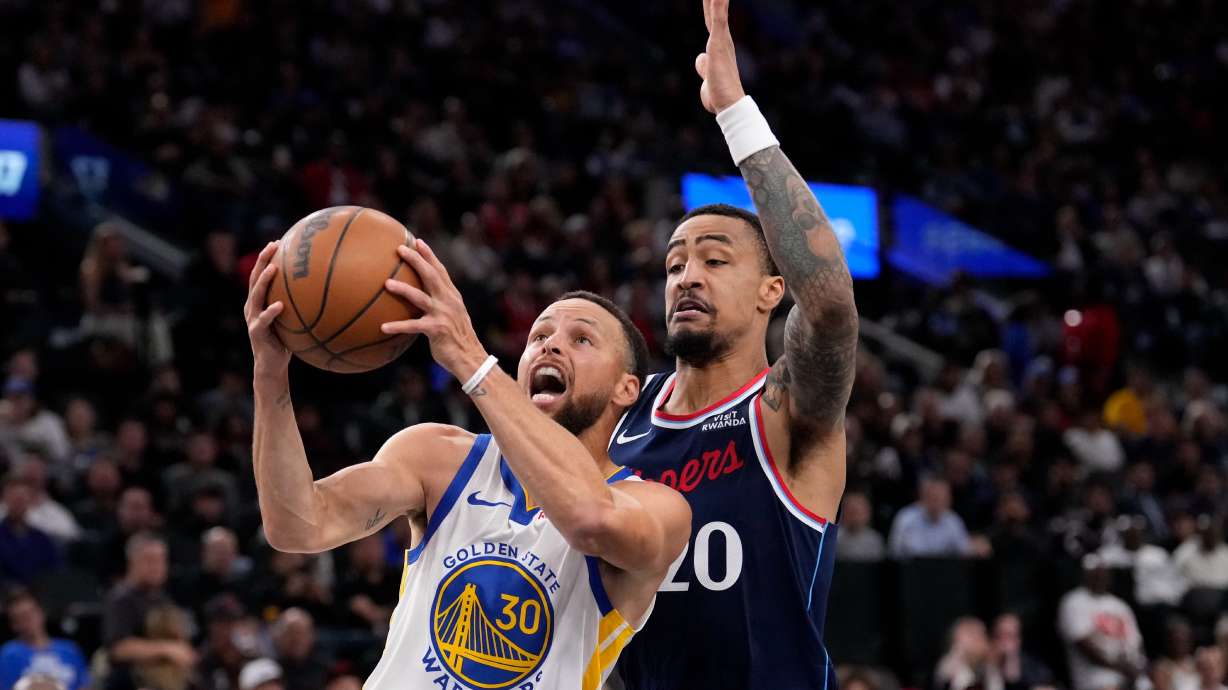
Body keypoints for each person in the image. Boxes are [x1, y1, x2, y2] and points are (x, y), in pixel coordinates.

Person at [243, 236, 690, 690]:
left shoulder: (657, 508)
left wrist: (469, 357)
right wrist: (270, 375)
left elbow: (589, 519)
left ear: (626, 389)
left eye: (581, 339)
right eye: (540, 336)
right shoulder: (439, 455)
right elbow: (297, 526)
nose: (551, 347)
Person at [604, 2, 857, 687]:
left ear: (771, 291)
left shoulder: (784, 408)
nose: (687, 276)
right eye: (675, 264)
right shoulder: (621, 420)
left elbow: (831, 305)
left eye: (715, 260)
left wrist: (734, 112)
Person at [100, 533, 196, 690]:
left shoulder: (164, 599)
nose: (157, 566)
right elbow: (118, 649)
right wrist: (168, 649)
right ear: (132, 562)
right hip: (131, 681)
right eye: (150, 560)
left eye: (161, 560)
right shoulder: (121, 598)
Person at [1058, 555, 1146, 690]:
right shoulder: (1073, 602)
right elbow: (1083, 645)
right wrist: (1120, 667)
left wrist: (1135, 667)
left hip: (1130, 675)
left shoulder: (1119, 605)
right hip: (1097, 679)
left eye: (1104, 572)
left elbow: (1136, 642)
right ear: (1085, 574)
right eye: (1096, 573)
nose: (1101, 577)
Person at [0, 589, 91, 690]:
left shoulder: (70, 650)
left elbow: (84, 686)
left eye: (31, 614)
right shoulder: (9, 655)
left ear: (42, 613)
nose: (29, 621)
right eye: (22, 618)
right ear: (14, 625)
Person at [888, 476, 973, 559]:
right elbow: (893, 553)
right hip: (911, 570)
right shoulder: (906, 518)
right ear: (924, 497)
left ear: (949, 500)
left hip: (944, 570)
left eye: (942, 499)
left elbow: (965, 554)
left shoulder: (954, 521)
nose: (937, 504)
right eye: (934, 498)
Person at [934, 617, 1003, 690]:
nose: (982, 640)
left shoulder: (989, 668)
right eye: (973, 634)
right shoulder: (948, 666)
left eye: (982, 634)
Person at [991, 613, 1053, 690]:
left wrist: (1011, 660)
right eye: (1000, 636)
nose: (1005, 641)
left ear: (1018, 639)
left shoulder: (1035, 667)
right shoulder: (986, 665)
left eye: (1010, 635)